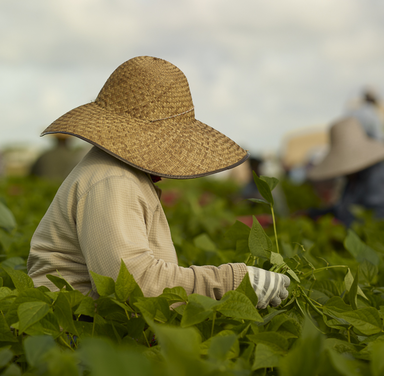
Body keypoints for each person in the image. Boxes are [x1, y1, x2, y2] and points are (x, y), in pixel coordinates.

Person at [27, 56, 290, 309]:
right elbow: (133, 286)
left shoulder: (120, 174)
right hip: (77, 335)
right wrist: (233, 281)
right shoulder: (113, 180)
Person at [300, 116, 384, 227]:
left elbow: (376, 217)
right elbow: (343, 210)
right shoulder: (352, 178)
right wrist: (312, 214)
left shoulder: (375, 177)